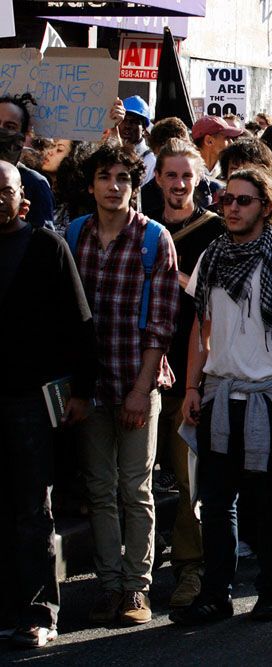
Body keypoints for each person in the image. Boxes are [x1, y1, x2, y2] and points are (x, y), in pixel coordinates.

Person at [170, 168, 272, 625]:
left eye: (244, 200)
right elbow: (202, 326)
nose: (232, 208)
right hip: (220, 395)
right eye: (228, 200)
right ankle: (216, 594)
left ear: (265, 207)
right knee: (216, 503)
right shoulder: (213, 256)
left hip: (270, 397)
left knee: (269, 503)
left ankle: (271, 591)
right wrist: (193, 386)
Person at [69, 144, 180, 626]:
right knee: (98, 488)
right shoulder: (75, 234)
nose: (113, 186)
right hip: (90, 385)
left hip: (138, 379)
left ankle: (137, 589)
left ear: (135, 187)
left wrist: (141, 389)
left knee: (136, 488)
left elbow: (161, 324)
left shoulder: (154, 239)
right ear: (90, 184)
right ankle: (109, 586)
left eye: (122, 178)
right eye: (104, 177)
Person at [0, 161, 96, 648]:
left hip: (29, 401)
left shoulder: (45, 246)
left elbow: (79, 326)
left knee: (33, 509)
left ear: (23, 199)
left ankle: (40, 611)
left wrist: (80, 391)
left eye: (4, 190)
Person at [152, 139, 227, 610]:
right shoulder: (141, 226)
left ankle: (190, 569)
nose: (179, 184)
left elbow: (221, 303)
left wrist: (181, 281)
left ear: (199, 178)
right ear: (157, 178)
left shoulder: (216, 231)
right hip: (137, 368)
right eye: (170, 175)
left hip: (189, 370)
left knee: (188, 478)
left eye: (187, 176)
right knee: (134, 480)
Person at [0, 94, 56, 230]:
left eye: (10, 126)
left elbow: (45, 244)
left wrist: (17, 225)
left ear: (24, 137)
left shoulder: (35, 183)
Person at [115, 96, 156, 186]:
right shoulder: (111, 153)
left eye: (134, 122)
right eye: (124, 120)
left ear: (144, 130)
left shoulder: (150, 162)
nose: (127, 126)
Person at [192, 115, 245, 181]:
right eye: (226, 138)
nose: (231, 142)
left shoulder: (227, 170)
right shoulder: (188, 171)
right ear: (209, 141)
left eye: (232, 138)